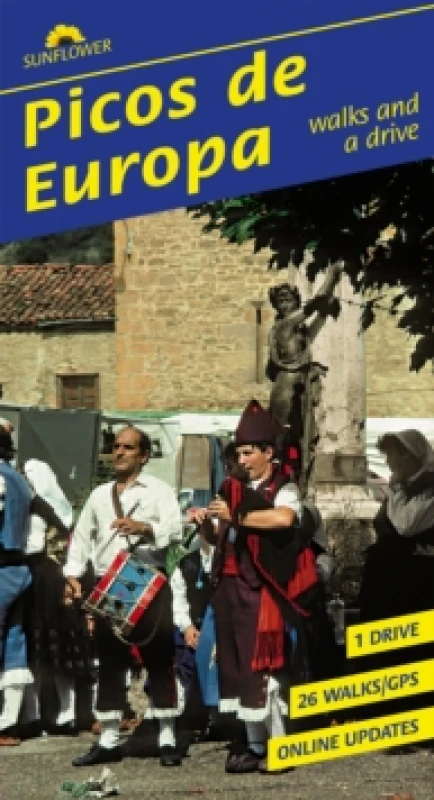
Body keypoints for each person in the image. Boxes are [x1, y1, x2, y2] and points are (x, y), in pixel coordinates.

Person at [191, 400, 321, 774]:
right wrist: (205, 524)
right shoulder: (230, 487)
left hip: (261, 589)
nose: (242, 460)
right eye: (239, 453)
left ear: (268, 452)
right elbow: (218, 538)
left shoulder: (284, 486)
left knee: (262, 668)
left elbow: (284, 519)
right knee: (235, 667)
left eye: (249, 453)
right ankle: (252, 744)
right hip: (228, 587)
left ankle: (280, 745)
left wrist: (237, 516)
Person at [63, 425, 184, 768]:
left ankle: (167, 737)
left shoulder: (160, 491)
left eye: (128, 448)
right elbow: (81, 538)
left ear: (143, 456)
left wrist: (145, 528)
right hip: (109, 583)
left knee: (158, 659)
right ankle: (109, 738)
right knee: (111, 662)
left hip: (146, 582)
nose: (119, 453)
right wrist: (71, 573)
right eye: (116, 447)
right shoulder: (100, 495)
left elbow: (176, 530)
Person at [358, 429, 434, 737]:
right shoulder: (402, 488)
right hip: (389, 582)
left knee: (414, 649)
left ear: (411, 457)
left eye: (394, 454)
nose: (389, 462)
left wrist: (398, 489)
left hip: (418, 581)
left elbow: (405, 525)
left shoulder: (429, 488)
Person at [20, 459, 95, 737]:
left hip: (42, 581)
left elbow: (33, 545)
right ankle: (66, 712)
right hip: (60, 579)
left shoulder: (36, 508)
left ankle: (40, 714)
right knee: (60, 648)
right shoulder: (62, 511)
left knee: (40, 648)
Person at [0, 426, 33, 746]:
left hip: (1, 568)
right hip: (18, 567)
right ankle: (8, 721)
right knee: (13, 643)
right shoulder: (17, 478)